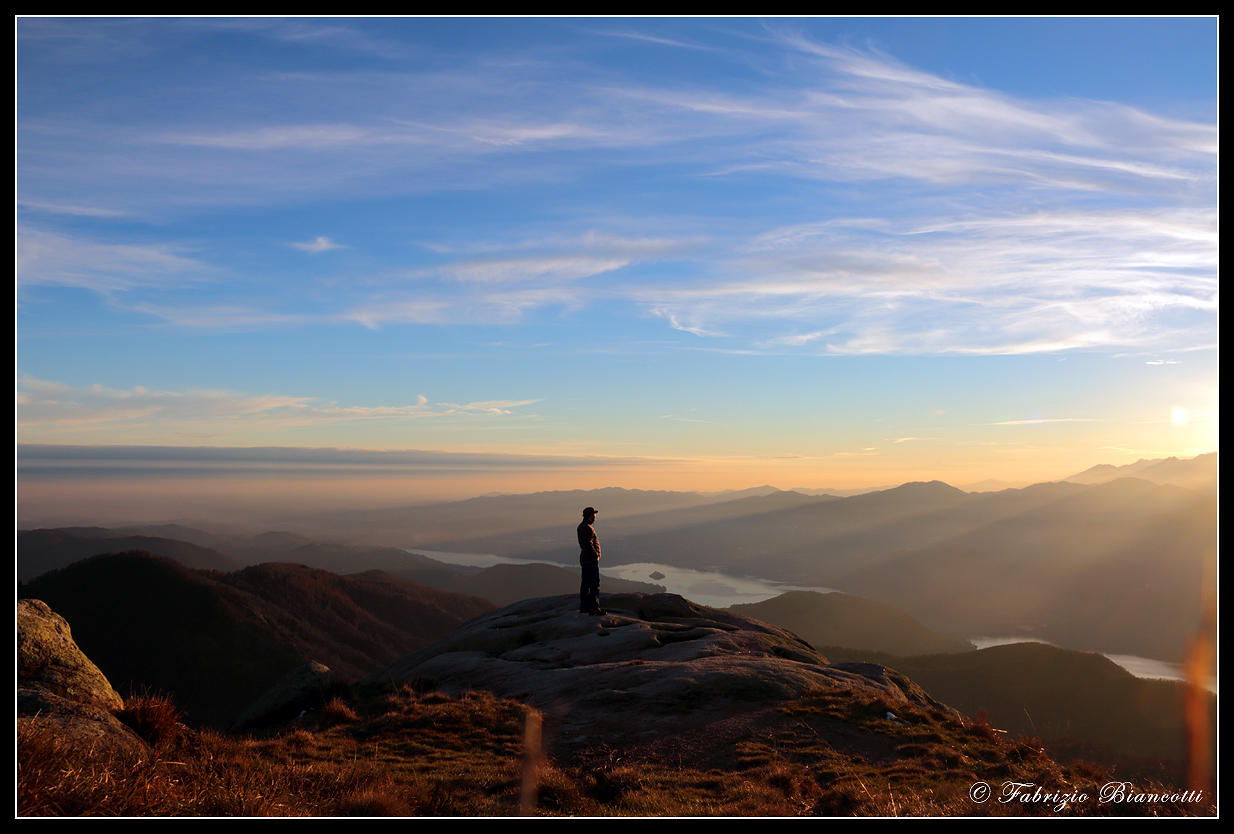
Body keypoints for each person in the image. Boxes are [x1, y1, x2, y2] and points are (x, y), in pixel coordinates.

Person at [578, 506, 604, 615]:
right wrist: (596, 555)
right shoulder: (588, 528)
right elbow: (588, 544)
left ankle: (584, 607)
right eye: (594, 514)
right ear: (590, 515)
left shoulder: (581, 526)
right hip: (590, 559)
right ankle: (594, 608)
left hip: (585, 558)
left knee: (585, 583)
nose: (595, 516)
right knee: (594, 584)